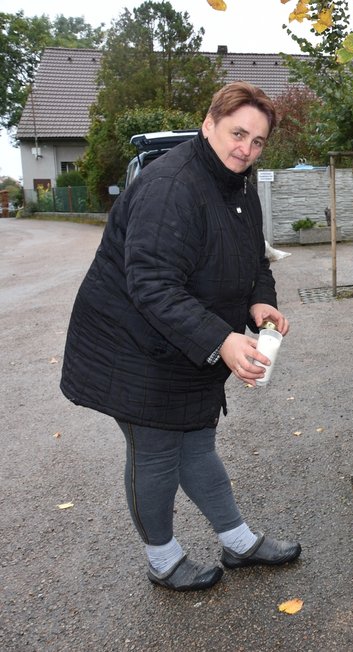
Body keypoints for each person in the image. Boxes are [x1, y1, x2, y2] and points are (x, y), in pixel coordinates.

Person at [60, 81, 300, 592]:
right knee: (156, 453)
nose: (246, 148)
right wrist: (223, 339)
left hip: (186, 345)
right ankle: (163, 560)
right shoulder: (172, 186)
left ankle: (237, 542)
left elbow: (255, 256)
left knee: (196, 444)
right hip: (133, 347)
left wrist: (260, 299)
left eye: (257, 141)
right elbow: (149, 283)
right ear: (209, 124)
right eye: (238, 133)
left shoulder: (238, 186)